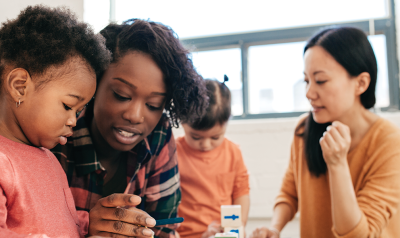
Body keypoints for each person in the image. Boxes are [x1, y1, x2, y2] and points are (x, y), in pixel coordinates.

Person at [52, 19, 208, 238]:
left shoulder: (159, 135)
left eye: (153, 105)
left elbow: (164, 229)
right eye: (121, 95)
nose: (135, 116)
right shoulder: (57, 133)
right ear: (95, 83)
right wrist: (85, 230)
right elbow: (31, 226)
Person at [250, 27, 400, 238]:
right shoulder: (305, 129)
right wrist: (274, 228)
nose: (309, 93)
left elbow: (359, 235)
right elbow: (289, 192)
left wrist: (337, 164)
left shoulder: (390, 144)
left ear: (361, 83)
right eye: (306, 81)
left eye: (320, 81)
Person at [0, 5, 111, 238]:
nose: (74, 120)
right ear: (20, 86)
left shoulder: (50, 160)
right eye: (68, 106)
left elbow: (61, 223)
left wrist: (92, 225)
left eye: (80, 110)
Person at [176, 77, 250, 238]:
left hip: (224, 234)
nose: (206, 145)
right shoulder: (173, 153)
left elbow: (241, 192)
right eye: (196, 137)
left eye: (215, 137)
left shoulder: (233, 152)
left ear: (226, 125)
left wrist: (238, 228)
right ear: (182, 122)